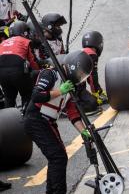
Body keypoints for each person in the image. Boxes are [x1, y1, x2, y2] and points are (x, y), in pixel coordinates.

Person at [24, 50, 93, 194]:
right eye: (80, 74)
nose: (81, 78)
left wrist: (84, 132)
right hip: (36, 118)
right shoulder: (50, 74)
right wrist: (60, 91)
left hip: (48, 121)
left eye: (83, 76)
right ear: (73, 66)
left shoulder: (70, 86)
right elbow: (36, 95)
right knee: (58, 157)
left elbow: (73, 113)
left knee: (58, 157)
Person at [0, 21, 39, 109]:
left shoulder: (3, 43)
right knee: (27, 94)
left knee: (9, 97)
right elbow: (32, 62)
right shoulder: (25, 41)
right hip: (17, 70)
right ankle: (26, 117)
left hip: (1, 72)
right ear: (23, 31)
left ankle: (7, 121)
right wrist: (39, 71)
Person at [81, 31, 108, 106]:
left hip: (76, 87)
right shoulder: (92, 54)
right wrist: (96, 93)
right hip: (77, 89)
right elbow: (92, 76)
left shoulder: (83, 52)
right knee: (93, 103)